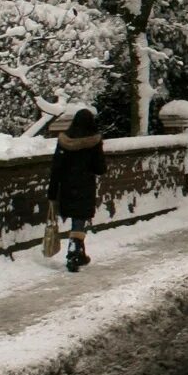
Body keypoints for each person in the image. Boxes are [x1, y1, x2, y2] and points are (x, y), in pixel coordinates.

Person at [49, 108, 106, 272]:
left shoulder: (64, 141)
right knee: (79, 219)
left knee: (76, 218)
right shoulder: (94, 142)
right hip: (84, 186)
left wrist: (52, 193)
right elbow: (100, 168)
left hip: (66, 186)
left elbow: (56, 168)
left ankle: (80, 254)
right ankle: (73, 253)